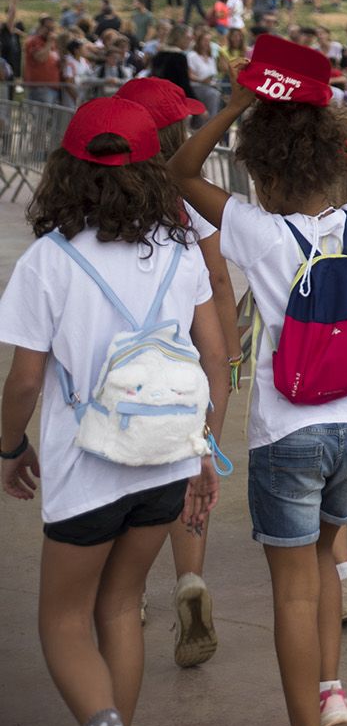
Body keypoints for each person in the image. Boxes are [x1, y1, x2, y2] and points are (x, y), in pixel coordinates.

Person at [171, 36, 347, 726]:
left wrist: (234, 108)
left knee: (292, 589)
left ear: (261, 172)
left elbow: (182, 171)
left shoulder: (256, 231)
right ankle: (331, 693)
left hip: (288, 428)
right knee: (324, 560)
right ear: (330, 162)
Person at [1, 97, 225, 726]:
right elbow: (211, 353)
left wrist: (11, 446)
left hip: (87, 471)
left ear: (66, 169)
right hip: (167, 460)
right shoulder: (181, 249)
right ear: (152, 169)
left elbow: (24, 382)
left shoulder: (49, 260)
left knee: (64, 621)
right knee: (120, 608)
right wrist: (204, 446)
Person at [116, 77, 245, 670]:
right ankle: (189, 579)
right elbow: (218, 282)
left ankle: (129, 592)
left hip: (120, 360)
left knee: (125, 475)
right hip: (188, 357)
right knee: (191, 475)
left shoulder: (104, 194)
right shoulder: (191, 195)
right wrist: (227, 361)